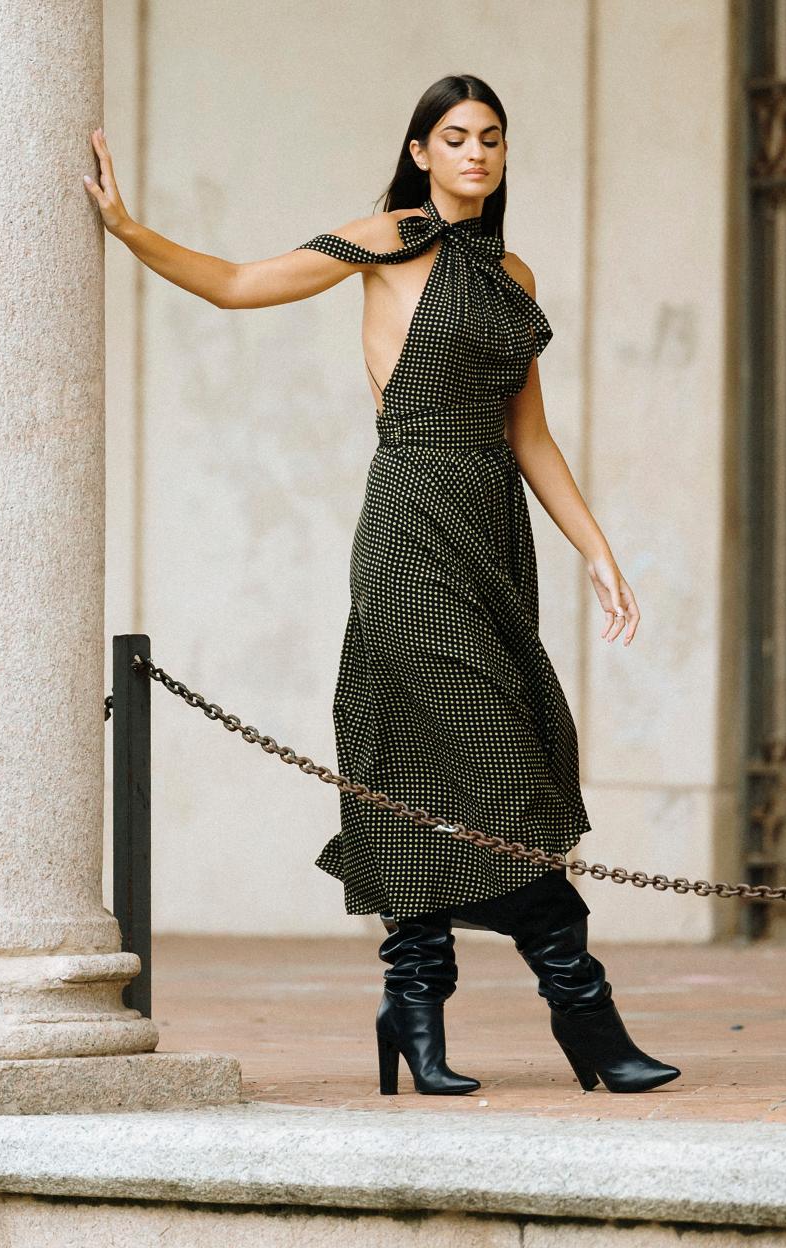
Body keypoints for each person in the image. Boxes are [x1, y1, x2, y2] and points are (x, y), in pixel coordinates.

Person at [83, 73, 681, 1099]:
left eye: (490, 138)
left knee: (426, 769)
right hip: (410, 528)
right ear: (420, 151)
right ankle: (588, 1019)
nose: (475, 153)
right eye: (455, 137)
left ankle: (412, 1008)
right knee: (500, 770)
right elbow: (238, 283)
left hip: (492, 532)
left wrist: (596, 548)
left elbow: (531, 436)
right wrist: (131, 230)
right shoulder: (390, 240)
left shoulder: (514, 273)